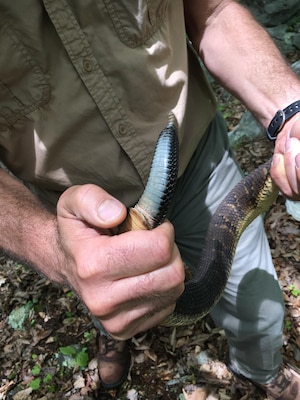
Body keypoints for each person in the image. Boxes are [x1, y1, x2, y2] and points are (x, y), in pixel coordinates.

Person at [1, 0, 300, 398]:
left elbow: (214, 10)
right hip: (80, 212)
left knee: (260, 307)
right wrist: (54, 248)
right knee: (106, 287)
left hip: (198, 162)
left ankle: (262, 370)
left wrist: (291, 113)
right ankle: (113, 329)